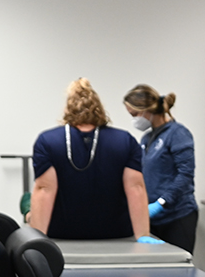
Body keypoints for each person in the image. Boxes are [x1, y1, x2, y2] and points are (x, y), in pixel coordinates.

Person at [29, 78, 162, 243]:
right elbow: (135, 188)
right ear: (99, 108)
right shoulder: (124, 141)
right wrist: (143, 235)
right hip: (116, 235)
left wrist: (35, 241)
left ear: (67, 108)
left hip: (62, 234)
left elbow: (44, 190)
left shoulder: (48, 141)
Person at [123, 84, 198, 253]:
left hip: (177, 216)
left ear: (147, 109)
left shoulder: (177, 133)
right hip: (152, 219)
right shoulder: (147, 138)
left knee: (177, 270)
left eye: (134, 114)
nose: (134, 119)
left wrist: (162, 203)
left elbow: (185, 174)